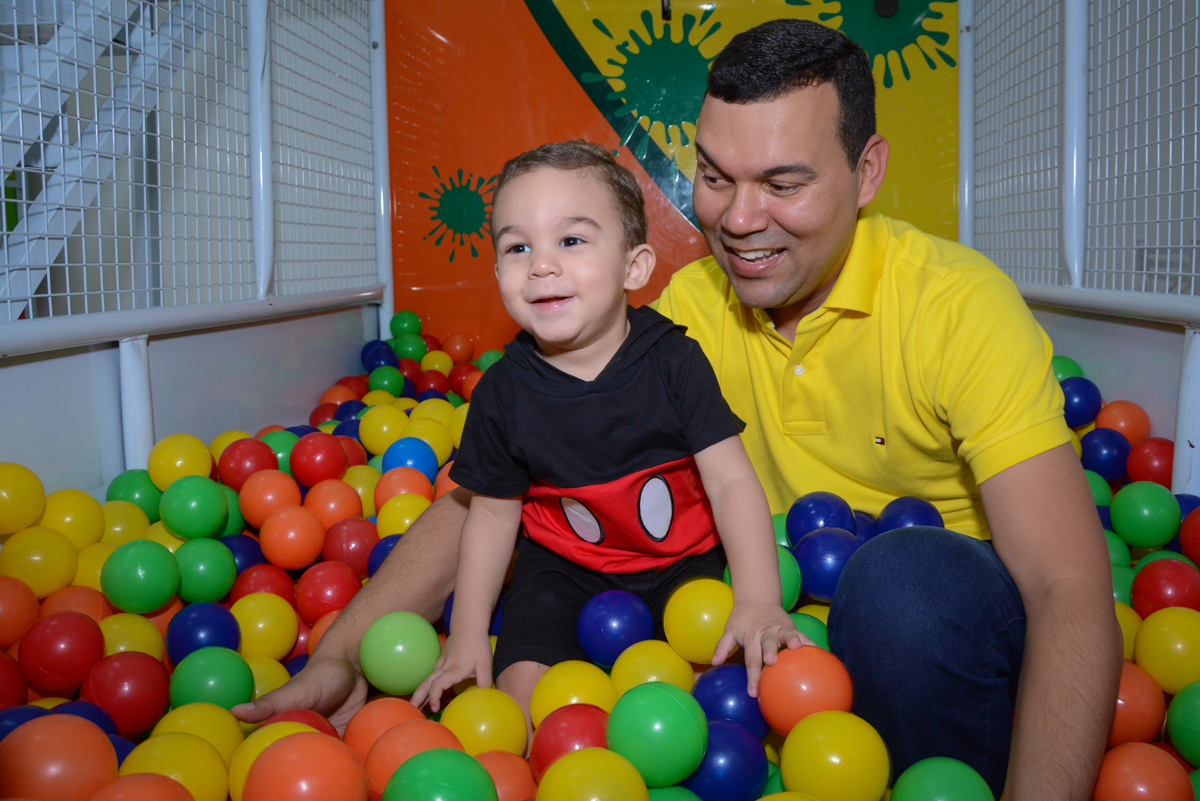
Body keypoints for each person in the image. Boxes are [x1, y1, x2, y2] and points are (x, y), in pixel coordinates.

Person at [235, 19, 1121, 799]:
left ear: (867, 170)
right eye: (714, 175)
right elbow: (503, 487)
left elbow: (1069, 586)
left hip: (922, 621)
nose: (739, 219)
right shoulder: (685, 314)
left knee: (900, 581)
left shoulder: (955, 307)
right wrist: (342, 654)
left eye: (783, 182)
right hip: (753, 625)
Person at [407, 141, 803, 723]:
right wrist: (466, 636)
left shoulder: (675, 362)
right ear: (498, 272)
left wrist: (758, 600)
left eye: (570, 240)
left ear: (633, 267)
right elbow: (492, 516)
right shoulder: (500, 395)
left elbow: (729, 484)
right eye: (518, 247)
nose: (541, 264)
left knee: (713, 693)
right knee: (522, 697)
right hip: (561, 568)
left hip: (682, 560)